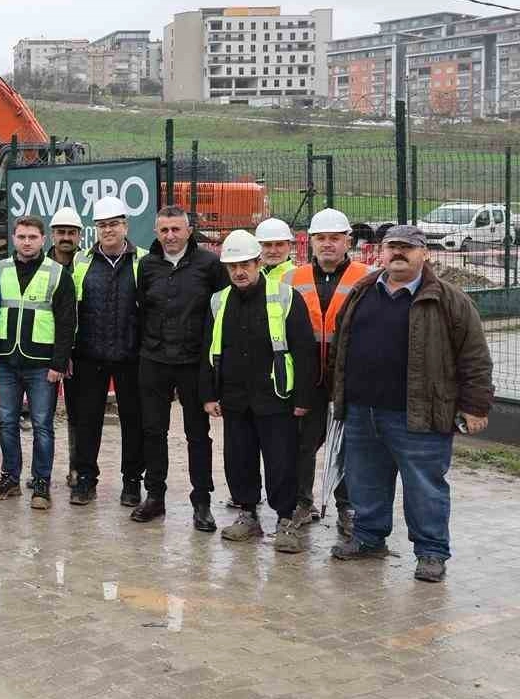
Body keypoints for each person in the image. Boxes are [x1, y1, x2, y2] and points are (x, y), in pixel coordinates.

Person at [329, 225, 493, 583]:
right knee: (365, 481)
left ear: (425, 253)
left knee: (424, 487)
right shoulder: (362, 291)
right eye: (392, 246)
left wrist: (476, 406)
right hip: (362, 411)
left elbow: (475, 357)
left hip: (420, 414)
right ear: (381, 252)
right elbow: (340, 344)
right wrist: (337, 395)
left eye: (408, 247)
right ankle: (369, 538)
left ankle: (431, 552)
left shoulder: (449, 300)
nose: (398, 253)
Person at [201, 230, 317, 553]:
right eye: (233, 266)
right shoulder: (218, 301)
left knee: (282, 461)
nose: (239, 272)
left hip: (276, 397)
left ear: (258, 263)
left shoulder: (286, 297)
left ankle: (285, 520)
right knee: (239, 459)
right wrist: (208, 395)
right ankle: (248, 514)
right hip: (235, 398)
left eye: (245, 265)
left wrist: (303, 398)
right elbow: (207, 349)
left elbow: (304, 351)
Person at [133, 205, 227, 530]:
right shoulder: (147, 266)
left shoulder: (210, 265)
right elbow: (141, 309)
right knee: (153, 431)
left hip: (193, 362)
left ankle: (201, 502)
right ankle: (154, 496)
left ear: (189, 230)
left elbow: (219, 312)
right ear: (156, 233)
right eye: (164, 230)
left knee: (197, 434)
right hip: (154, 359)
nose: (170, 236)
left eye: (176, 229)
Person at [284, 208, 370, 531]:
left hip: (348, 378)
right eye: (321, 238)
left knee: (346, 446)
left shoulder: (368, 277)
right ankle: (302, 503)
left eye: (335, 238)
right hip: (307, 380)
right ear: (311, 241)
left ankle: (347, 508)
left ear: (348, 240)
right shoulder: (292, 278)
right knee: (303, 444)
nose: (328, 244)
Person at [0, 216, 76, 510]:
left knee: (42, 425)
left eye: (32, 237)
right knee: (7, 423)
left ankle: (41, 483)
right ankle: (10, 478)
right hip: (6, 362)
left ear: (43, 240)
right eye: (22, 237)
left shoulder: (57, 273)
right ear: (14, 238)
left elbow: (67, 322)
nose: (27, 242)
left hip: (42, 365)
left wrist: (58, 364)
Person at [66, 195, 144, 507]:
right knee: (87, 421)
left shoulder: (143, 261)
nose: (108, 230)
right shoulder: (81, 262)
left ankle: (132, 482)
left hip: (130, 356)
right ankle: (85, 479)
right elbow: (70, 310)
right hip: (90, 356)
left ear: (125, 226)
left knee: (134, 422)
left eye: (113, 224)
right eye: (102, 225)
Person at [48, 206, 82, 485]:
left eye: (71, 232)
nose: (66, 237)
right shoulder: (41, 264)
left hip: (79, 352)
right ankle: (41, 473)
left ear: (79, 235)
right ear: (52, 235)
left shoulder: (86, 264)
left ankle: (76, 469)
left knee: (77, 414)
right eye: (61, 232)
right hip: (45, 351)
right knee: (42, 416)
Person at [255, 217, 297, 284]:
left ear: (290, 246)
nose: (273, 251)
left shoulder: (299, 276)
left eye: (279, 244)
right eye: (267, 245)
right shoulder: (252, 277)